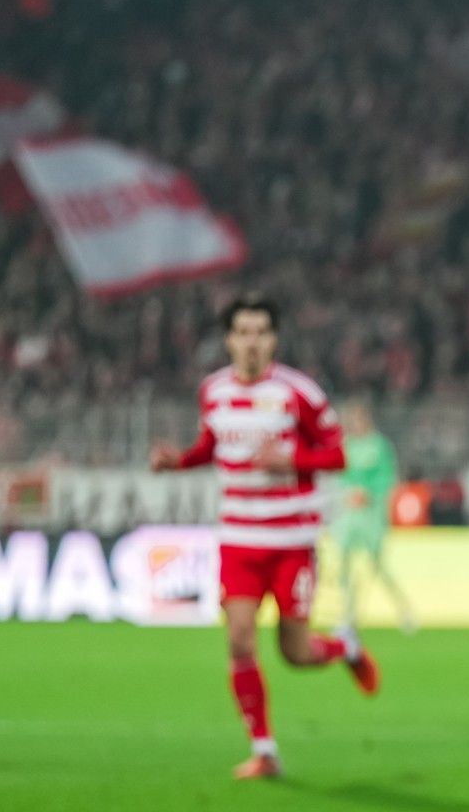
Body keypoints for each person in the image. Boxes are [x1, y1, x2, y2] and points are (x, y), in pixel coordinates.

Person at [150, 295, 380, 780]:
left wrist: (291, 460)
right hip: (238, 537)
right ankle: (265, 750)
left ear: (273, 340)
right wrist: (180, 461)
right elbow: (212, 447)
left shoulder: (300, 394)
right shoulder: (212, 391)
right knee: (238, 641)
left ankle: (346, 648)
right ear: (229, 340)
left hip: (292, 541)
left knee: (295, 652)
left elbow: (338, 458)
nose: (251, 341)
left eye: (260, 332)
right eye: (243, 332)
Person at [333, 400, 417, 632]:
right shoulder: (345, 445)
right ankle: (348, 615)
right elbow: (337, 475)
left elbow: (388, 478)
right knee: (344, 566)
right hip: (349, 515)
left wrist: (369, 493)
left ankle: (404, 609)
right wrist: (347, 493)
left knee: (378, 566)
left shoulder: (379, 446)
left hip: (371, 514)